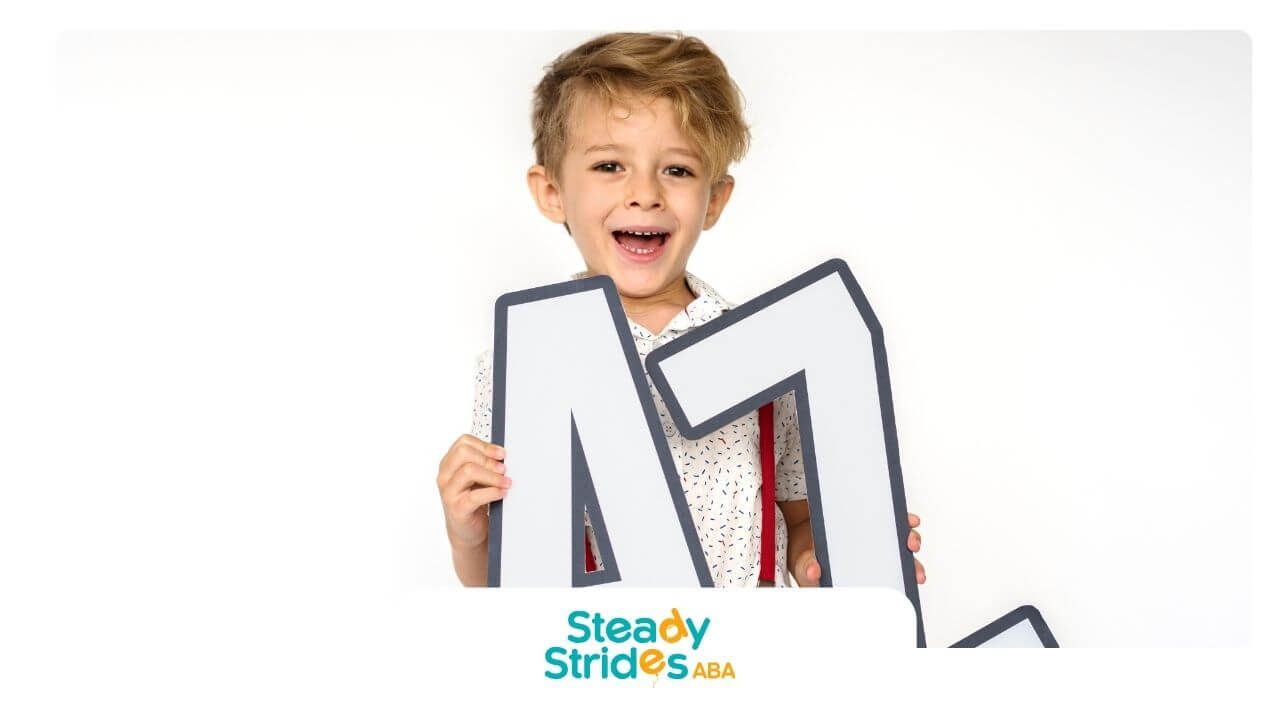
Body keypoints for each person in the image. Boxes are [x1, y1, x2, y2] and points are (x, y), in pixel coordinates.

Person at [437, 31, 925, 588]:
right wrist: (467, 537)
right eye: (609, 166)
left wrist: (827, 557)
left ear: (714, 199)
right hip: (606, 663)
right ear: (552, 192)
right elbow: (509, 583)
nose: (645, 193)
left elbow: (798, 517)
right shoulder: (519, 365)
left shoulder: (768, 350)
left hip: (746, 662)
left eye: (677, 170)